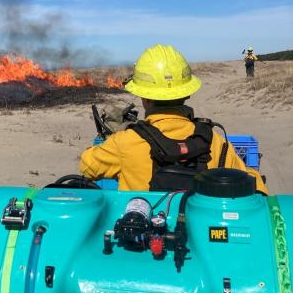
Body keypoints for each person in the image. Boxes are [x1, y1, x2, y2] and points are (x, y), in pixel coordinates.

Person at [79, 44, 268, 194]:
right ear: (186, 93)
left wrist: (115, 138)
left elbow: (88, 166)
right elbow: (251, 179)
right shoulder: (213, 141)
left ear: (145, 98)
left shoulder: (124, 142)